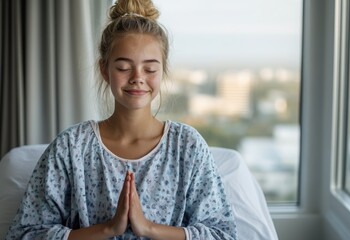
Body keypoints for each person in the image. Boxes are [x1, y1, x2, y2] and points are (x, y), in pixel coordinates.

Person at [5, 0, 237, 239]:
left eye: (150, 69)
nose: (138, 78)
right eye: (124, 67)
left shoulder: (187, 146)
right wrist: (108, 229)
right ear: (104, 70)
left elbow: (222, 234)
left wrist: (149, 229)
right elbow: (25, 233)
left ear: (162, 71)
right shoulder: (71, 147)